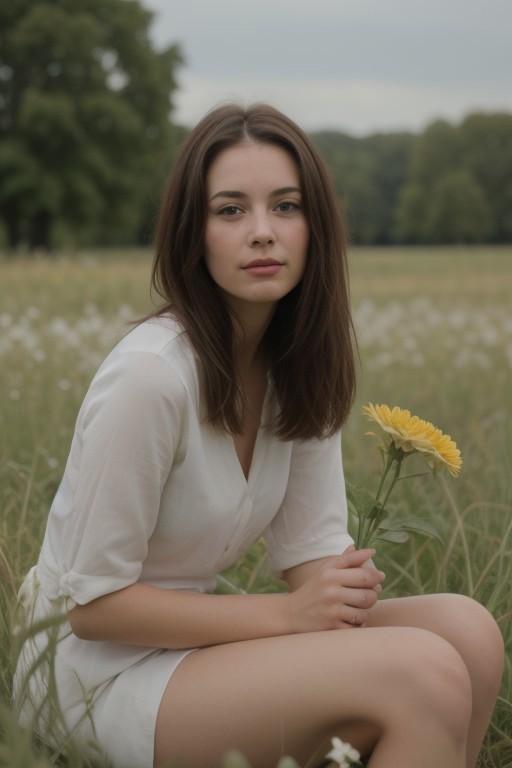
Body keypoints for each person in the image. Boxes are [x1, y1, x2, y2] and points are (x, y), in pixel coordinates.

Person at [14, 103, 503, 768]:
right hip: (95, 673)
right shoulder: (150, 377)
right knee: (421, 672)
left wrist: (340, 588)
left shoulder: (298, 366)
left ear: (315, 227)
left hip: (198, 646)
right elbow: (91, 605)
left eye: (286, 206)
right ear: (194, 232)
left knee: (467, 634)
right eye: (231, 210)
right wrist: (288, 617)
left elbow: (310, 556)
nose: (263, 233)